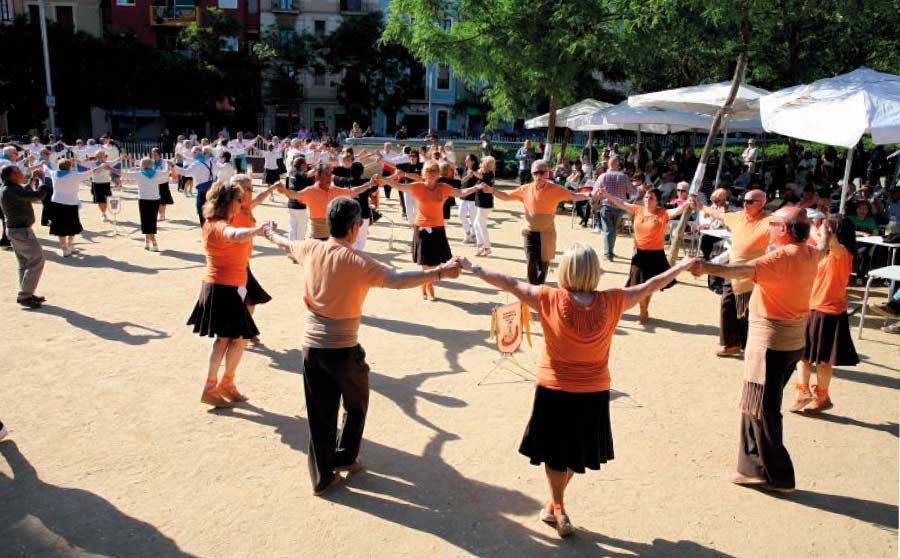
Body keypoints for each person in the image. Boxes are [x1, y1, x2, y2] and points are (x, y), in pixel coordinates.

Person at [457, 243, 695, 537]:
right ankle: (556, 506)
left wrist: (473, 267)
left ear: (566, 270)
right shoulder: (614, 300)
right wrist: (681, 266)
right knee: (573, 454)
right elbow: (650, 284)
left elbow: (507, 281)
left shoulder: (547, 297)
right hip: (592, 390)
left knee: (560, 455)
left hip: (555, 388)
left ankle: (555, 505)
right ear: (595, 271)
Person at [261, 197, 463, 495]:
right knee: (356, 405)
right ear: (355, 227)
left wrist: (268, 232)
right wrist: (441, 272)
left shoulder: (310, 248)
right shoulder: (357, 261)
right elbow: (397, 279)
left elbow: (285, 243)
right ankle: (344, 457)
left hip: (311, 348)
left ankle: (323, 476)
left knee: (321, 413)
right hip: (342, 350)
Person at [690, 207, 827, 492]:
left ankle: (778, 476)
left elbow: (740, 270)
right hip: (790, 343)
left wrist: (706, 267)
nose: (769, 228)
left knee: (764, 410)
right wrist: (822, 233)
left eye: (773, 224)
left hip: (772, 343)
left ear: (785, 230)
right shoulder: (810, 253)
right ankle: (752, 467)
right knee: (756, 407)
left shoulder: (782, 256)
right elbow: (823, 247)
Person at [187, 182, 272, 408]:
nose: (241, 203)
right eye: (238, 199)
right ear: (227, 202)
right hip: (224, 288)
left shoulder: (215, 221)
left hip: (228, 286)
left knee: (228, 338)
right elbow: (233, 235)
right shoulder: (219, 225)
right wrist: (257, 231)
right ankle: (217, 385)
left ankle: (220, 384)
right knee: (236, 338)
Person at [375, 160, 482, 299]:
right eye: (428, 171)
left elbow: (461, 192)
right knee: (426, 262)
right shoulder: (417, 187)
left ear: (438, 174)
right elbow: (398, 186)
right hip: (422, 229)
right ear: (423, 173)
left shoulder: (443, 187)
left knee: (435, 262)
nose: (430, 174)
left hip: (438, 228)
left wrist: (477, 187)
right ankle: (429, 285)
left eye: (434, 171)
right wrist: (383, 178)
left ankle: (425, 283)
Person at [792, 217, 859, 413]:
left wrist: (824, 230)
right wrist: (812, 225)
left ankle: (822, 396)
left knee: (822, 360)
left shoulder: (843, 254)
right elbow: (816, 237)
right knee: (802, 356)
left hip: (829, 312)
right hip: (811, 308)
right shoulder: (822, 253)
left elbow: (832, 244)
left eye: (828, 227)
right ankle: (802, 392)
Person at [489, 160, 594, 285]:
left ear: (548, 174)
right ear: (532, 174)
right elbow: (506, 196)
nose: (538, 176)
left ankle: (540, 287)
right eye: (535, 173)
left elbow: (574, 196)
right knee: (531, 261)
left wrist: (590, 194)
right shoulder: (525, 189)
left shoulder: (555, 189)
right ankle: (532, 290)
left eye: (541, 172)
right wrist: (492, 191)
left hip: (547, 233)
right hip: (530, 232)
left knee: (543, 264)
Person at [695, 189, 771, 358]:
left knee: (749, 313)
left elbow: (785, 224)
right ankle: (731, 345)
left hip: (753, 275)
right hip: (732, 271)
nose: (745, 204)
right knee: (727, 307)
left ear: (762, 204)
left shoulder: (768, 221)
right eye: (744, 200)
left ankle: (752, 347)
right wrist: (701, 206)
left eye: (750, 201)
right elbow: (718, 215)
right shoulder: (738, 217)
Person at [599, 187, 692, 323]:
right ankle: (624, 309)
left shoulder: (662, 213)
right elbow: (621, 203)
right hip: (639, 254)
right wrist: (607, 194)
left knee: (649, 286)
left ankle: (643, 311)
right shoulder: (638, 210)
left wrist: (686, 203)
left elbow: (676, 211)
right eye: (647, 197)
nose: (648, 200)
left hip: (655, 256)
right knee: (635, 286)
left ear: (657, 201)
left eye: (652, 198)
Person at [279, 163, 375, 240]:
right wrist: (284, 190)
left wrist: (369, 184)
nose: (329, 178)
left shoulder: (334, 190)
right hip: (316, 238)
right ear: (317, 177)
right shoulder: (310, 191)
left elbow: (352, 192)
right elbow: (295, 195)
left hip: (332, 239)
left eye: (330, 175)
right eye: (326, 175)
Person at [0, 164, 50, 308]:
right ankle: (25, 295)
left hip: (15, 230)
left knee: (24, 263)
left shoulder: (8, 188)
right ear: (13, 176)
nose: (23, 174)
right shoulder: (13, 190)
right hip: (22, 231)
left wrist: (30, 180)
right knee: (37, 260)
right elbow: (37, 196)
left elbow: (23, 193)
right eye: (19, 172)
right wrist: (41, 181)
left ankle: (27, 292)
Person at [47, 159, 104, 257]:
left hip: (57, 203)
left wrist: (43, 164)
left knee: (60, 226)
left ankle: (65, 248)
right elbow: (91, 172)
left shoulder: (54, 173)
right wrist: (103, 166)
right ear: (70, 167)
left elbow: (47, 168)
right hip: (70, 204)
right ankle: (69, 246)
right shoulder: (74, 175)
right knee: (72, 226)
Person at [592, 156, 635, 261]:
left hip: (606, 206)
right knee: (613, 230)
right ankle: (610, 251)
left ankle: (608, 254)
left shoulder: (603, 176)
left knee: (608, 230)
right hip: (620, 207)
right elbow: (633, 191)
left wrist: (593, 204)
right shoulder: (624, 177)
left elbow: (595, 192)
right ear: (618, 164)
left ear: (608, 164)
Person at [121, 158, 167, 251]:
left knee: (146, 221)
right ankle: (147, 241)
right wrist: (169, 164)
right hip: (155, 200)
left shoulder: (139, 174)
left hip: (144, 200)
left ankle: (154, 243)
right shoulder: (157, 172)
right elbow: (166, 172)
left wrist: (111, 169)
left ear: (142, 165)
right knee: (151, 221)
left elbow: (124, 174)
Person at [173, 147, 215, 224]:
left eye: (192, 153)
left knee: (201, 211)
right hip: (211, 187)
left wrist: (174, 167)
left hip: (202, 190)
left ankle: (205, 229)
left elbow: (185, 173)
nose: (191, 155)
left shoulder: (196, 163)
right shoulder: (210, 160)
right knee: (210, 210)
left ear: (195, 153)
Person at [471, 156, 496, 256]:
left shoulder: (489, 174)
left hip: (485, 203)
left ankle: (486, 247)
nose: (481, 163)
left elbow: (479, 176)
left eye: (483, 162)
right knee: (477, 224)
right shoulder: (484, 172)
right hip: (480, 202)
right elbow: (479, 175)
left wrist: (472, 170)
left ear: (487, 165)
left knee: (481, 225)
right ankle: (481, 245)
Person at [286, 156, 312, 241]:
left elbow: (287, 189)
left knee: (292, 228)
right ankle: (298, 250)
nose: (306, 166)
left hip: (291, 204)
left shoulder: (290, 174)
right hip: (301, 206)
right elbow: (309, 178)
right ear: (302, 165)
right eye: (305, 164)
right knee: (301, 231)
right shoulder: (301, 175)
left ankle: (291, 249)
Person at [458, 154, 479, 243]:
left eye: (468, 160)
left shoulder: (478, 170)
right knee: (461, 215)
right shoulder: (464, 169)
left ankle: (474, 235)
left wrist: (473, 173)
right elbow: (460, 182)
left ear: (473, 161)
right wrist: (468, 176)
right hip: (463, 197)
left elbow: (479, 183)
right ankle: (468, 233)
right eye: (466, 160)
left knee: (473, 218)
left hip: (473, 198)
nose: (465, 161)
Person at [151, 148, 174, 221]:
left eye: (155, 155)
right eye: (152, 155)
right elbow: (140, 163)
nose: (154, 156)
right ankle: (158, 214)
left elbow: (165, 171)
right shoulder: (150, 162)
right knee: (155, 200)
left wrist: (155, 172)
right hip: (154, 183)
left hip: (163, 183)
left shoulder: (164, 162)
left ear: (159, 154)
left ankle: (162, 215)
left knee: (163, 200)